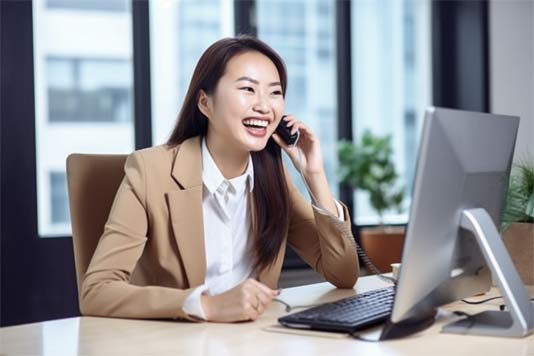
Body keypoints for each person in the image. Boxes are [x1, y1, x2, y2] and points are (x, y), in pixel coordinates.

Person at [80, 35, 359, 323]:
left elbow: (344, 274)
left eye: (275, 93)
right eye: (248, 89)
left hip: (252, 342)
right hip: (173, 344)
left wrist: (314, 174)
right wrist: (208, 306)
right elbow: (97, 291)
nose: (265, 106)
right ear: (205, 103)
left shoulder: (273, 177)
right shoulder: (150, 171)